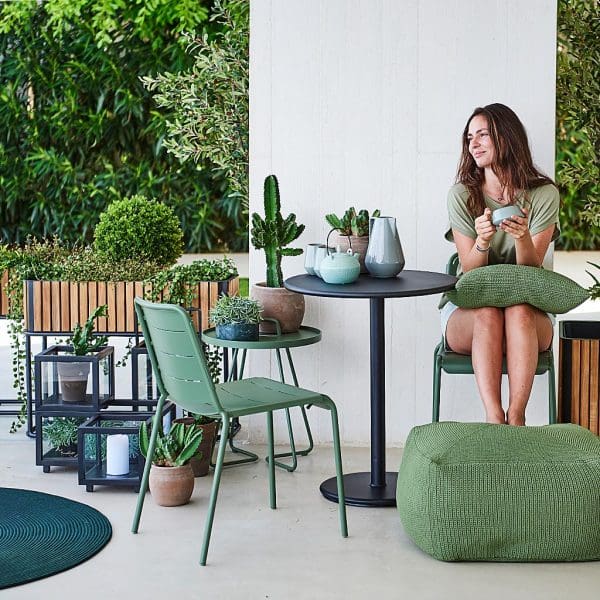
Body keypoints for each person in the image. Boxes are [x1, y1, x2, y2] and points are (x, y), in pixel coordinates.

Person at [440, 103, 560, 425]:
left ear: (505, 137)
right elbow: (470, 273)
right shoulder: (462, 195)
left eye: (482, 135)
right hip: (471, 313)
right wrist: (482, 242)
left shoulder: (543, 194)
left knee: (518, 310)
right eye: (469, 138)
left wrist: (521, 238)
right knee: (489, 313)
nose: (473, 144)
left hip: (528, 312)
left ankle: (516, 417)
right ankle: (494, 417)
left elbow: (533, 279)